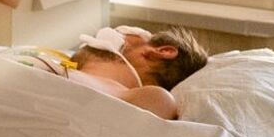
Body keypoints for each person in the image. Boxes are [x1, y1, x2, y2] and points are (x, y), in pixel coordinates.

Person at [65, 24, 208, 118]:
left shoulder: (157, 100)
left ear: (163, 51)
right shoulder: (61, 67)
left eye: (122, 32)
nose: (115, 31)